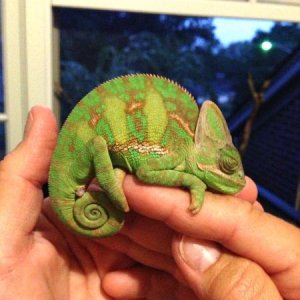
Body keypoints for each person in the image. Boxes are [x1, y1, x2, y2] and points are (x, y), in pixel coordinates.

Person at [0, 106, 299, 300]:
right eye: (226, 165)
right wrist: (190, 181)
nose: (232, 179)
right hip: (88, 151)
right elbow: (144, 170)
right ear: (203, 152)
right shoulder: (181, 152)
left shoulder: (183, 147)